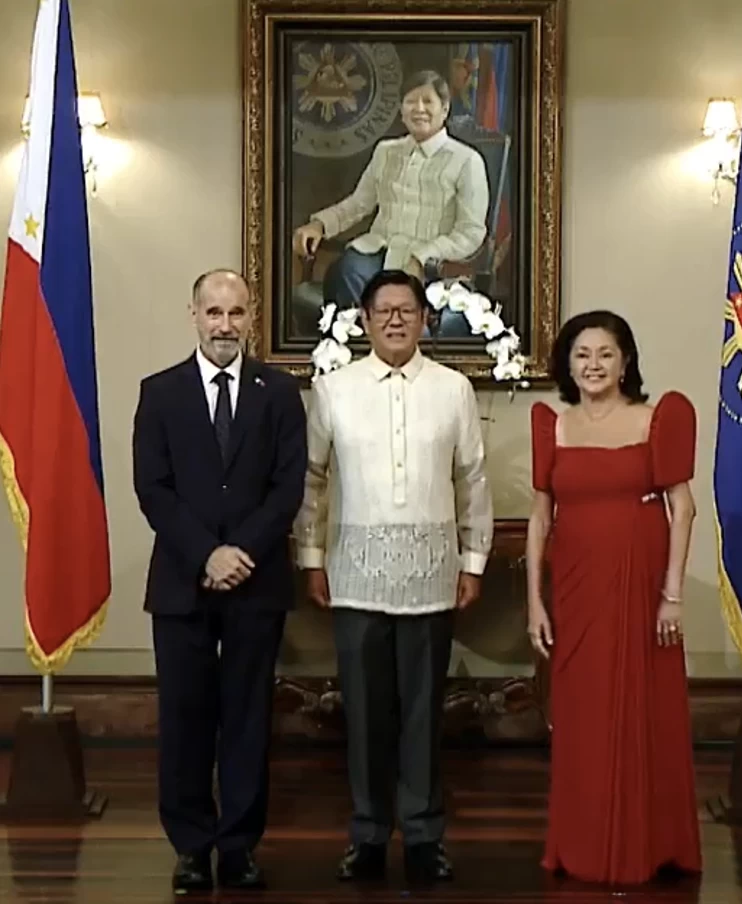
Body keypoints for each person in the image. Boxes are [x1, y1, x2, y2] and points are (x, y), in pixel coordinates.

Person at [294, 269, 493, 884]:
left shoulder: (454, 389)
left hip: (433, 577)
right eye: (384, 311)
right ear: (365, 320)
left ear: (425, 320)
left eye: (407, 310)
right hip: (355, 576)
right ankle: (368, 834)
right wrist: (311, 557)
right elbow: (312, 479)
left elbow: (472, 479)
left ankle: (426, 836)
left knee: (423, 714)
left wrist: (473, 561)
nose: (396, 320)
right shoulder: (333, 389)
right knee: (365, 715)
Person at [132, 269, 307, 893]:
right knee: (185, 719)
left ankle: (237, 846)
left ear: (251, 316)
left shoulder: (279, 393)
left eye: (236, 313)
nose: (225, 325)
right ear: (194, 316)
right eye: (214, 313)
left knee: (248, 719)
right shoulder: (160, 392)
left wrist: (241, 552)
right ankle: (190, 846)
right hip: (182, 582)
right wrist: (208, 553)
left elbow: (288, 487)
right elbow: (153, 489)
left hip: (257, 582)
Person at [526, 310, 702, 885]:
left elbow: (683, 509)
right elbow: (540, 518)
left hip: (641, 588)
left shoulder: (657, 419)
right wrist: (535, 602)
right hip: (575, 590)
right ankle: (582, 843)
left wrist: (672, 594)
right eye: (582, 354)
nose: (593, 364)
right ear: (567, 364)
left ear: (625, 362)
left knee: (644, 710)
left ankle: (647, 845)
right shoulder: (553, 425)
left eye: (605, 354)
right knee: (582, 717)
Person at [292, 69, 489, 336]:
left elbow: (470, 232)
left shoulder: (467, 160)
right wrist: (319, 224)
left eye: (428, 101)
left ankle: (401, 354)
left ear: (445, 109)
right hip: (379, 253)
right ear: (401, 110)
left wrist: (423, 257)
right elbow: (359, 204)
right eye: (411, 101)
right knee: (346, 270)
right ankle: (360, 350)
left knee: (407, 308)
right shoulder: (386, 151)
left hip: (434, 266)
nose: (419, 109)